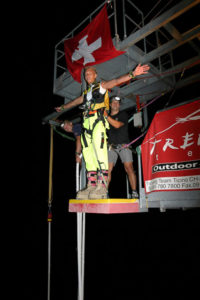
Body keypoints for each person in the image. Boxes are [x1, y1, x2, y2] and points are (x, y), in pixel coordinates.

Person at [55, 64, 150, 199]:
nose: (87, 75)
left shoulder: (101, 86)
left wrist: (133, 74)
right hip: (86, 124)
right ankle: (91, 186)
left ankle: (102, 186)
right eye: (86, 74)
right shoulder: (86, 93)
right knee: (88, 155)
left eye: (90, 73)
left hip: (98, 122)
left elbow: (116, 81)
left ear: (95, 75)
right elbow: (76, 101)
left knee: (100, 153)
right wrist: (64, 107)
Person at [104, 96, 139, 198]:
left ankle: (134, 192)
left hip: (124, 146)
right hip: (111, 147)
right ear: (110, 105)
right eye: (113, 102)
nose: (115, 104)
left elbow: (117, 125)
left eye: (117, 102)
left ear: (119, 105)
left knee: (129, 168)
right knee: (108, 169)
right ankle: (105, 192)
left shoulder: (123, 114)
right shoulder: (106, 118)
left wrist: (106, 116)